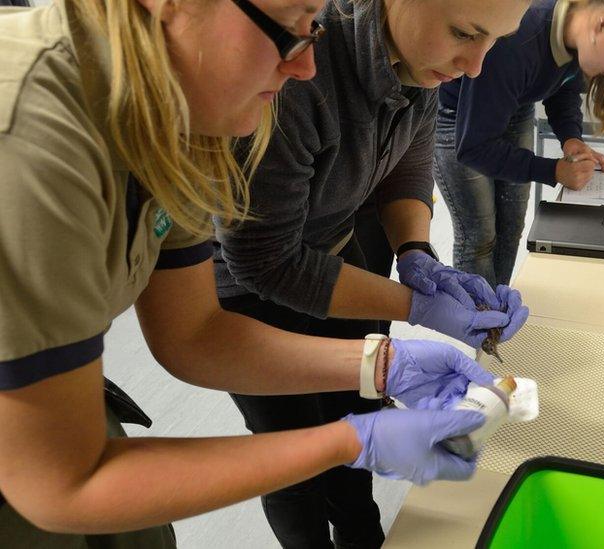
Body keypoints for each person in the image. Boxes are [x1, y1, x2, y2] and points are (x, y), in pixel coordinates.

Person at [0, 0, 500, 546]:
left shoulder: (187, 110)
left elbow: (193, 333)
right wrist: (347, 442)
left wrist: (385, 365)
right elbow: (64, 486)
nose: (307, 67)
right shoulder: (35, 148)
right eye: (289, 29)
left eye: (312, 27)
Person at [212, 0, 532, 546]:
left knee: (354, 417)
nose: (475, 66)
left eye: (494, 41)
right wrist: (414, 308)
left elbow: (408, 161)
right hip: (250, 294)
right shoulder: (295, 78)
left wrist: (414, 250)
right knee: (290, 458)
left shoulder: (417, 59)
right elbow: (264, 263)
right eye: (464, 33)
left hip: (330, 256)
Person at [434, 0, 604, 286]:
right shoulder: (518, 41)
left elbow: (565, 87)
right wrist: (553, 171)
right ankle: (476, 323)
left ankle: (497, 310)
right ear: (602, 23)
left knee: (512, 226)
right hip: (461, 118)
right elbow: (474, 146)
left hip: (515, 105)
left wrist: (571, 138)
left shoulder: (579, 39)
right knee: (479, 236)